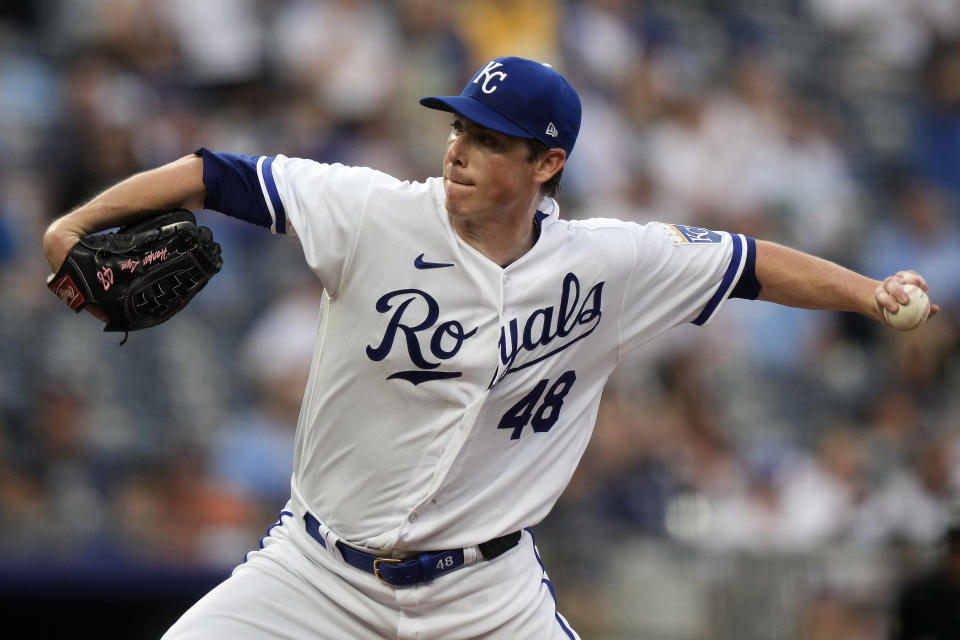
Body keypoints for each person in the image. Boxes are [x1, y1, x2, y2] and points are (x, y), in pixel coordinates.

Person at [42, 56, 938, 639]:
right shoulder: (374, 210)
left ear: (546, 165)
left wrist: (868, 293)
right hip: (314, 573)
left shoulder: (606, 262)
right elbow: (213, 175)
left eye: (489, 140)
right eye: (459, 128)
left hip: (484, 597)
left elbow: (750, 263)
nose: (460, 150)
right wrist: (76, 226)